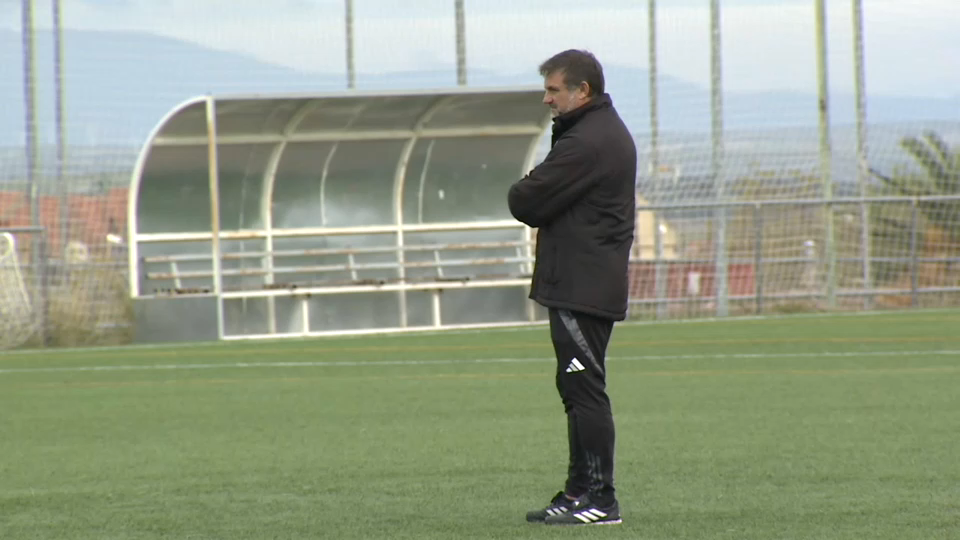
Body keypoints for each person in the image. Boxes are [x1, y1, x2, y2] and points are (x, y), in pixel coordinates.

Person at [507, 49, 636, 526]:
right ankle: (579, 491)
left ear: (582, 91)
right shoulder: (589, 133)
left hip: (583, 286)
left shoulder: (588, 143)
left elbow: (525, 199)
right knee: (574, 387)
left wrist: (530, 186)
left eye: (554, 90)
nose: (547, 99)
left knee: (585, 390)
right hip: (577, 282)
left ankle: (602, 500)